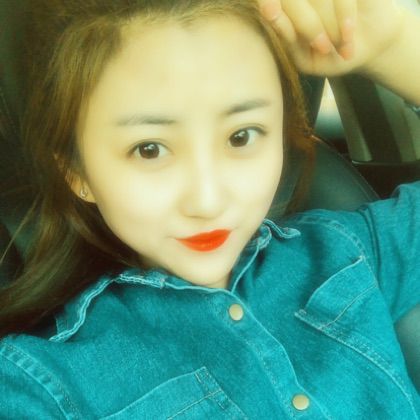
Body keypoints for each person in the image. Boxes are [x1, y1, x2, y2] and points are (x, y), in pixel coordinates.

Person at [0, 0, 419, 417]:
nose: (208, 201)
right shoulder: (39, 384)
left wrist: (396, 45)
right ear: (78, 173)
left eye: (241, 136)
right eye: (149, 149)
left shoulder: (347, 252)